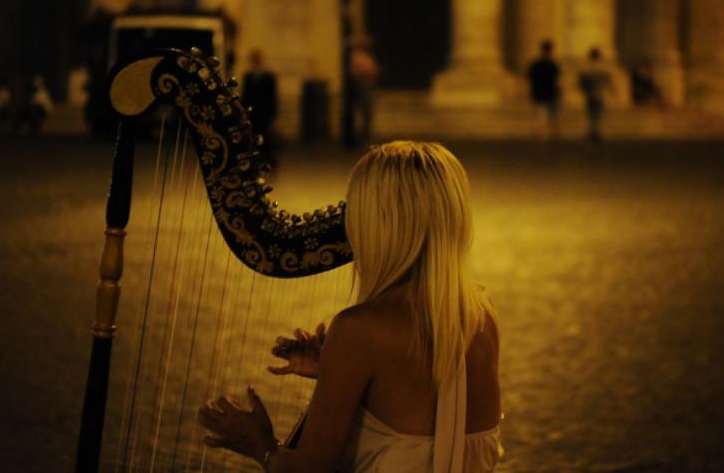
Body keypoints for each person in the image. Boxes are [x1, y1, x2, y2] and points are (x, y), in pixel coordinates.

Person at [199, 141, 503, 472]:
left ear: (376, 224)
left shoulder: (360, 330)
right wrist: (339, 374)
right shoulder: (481, 313)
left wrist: (260, 445)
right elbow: (435, 424)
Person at [241, 50, 279, 166]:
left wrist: (273, 115)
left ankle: (267, 160)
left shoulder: (269, 77)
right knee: (252, 135)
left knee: (266, 136)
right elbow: (245, 95)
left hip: (265, 112)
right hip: (252, 112)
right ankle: (254, 159)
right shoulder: (248, 76)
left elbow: (273, 97)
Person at [527, 40, 561, 141]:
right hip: (551, 93)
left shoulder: (535, 64)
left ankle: (538, 134)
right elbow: (557, 80)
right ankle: (555, 135)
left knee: (540, 115)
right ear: (551, 50)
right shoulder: (553, 64)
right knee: (554, 116)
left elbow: (530, 78)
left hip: (538, 93)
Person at [578, 47, 613, 144]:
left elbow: (581, 83)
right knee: (598, 115)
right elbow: (609, 81)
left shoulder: (586, 69)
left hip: (590, 95)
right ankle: (595, 133)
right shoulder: (603, 68)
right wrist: (613, 92)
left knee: (591, 115)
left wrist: (584, 90)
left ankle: (593, 133)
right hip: (599, 95)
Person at [349, 36, 380, 144]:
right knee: (363, 113)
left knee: (368, 113)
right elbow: (356, 72)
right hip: (363, 86)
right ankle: (360, 137)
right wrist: (367, 74)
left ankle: (365, 135)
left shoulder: (367, 56)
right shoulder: (357, 56)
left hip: (369, 85)